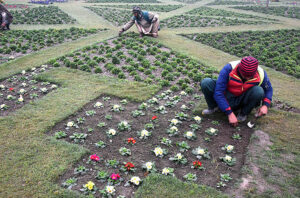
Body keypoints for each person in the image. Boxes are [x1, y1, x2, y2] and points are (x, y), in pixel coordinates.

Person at [201, 56, 273, 127]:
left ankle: (243, 113)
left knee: (258, 91)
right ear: (239, 69)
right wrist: (229, 113)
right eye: (245, 75)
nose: (247, 78)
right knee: (206, 83)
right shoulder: (229, 69)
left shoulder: (261, 74)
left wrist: (265, 105)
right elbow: (219, 92)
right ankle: (214, 107)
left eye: (250, 76)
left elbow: (268, 89)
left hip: (242, 99)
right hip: (227, 95)